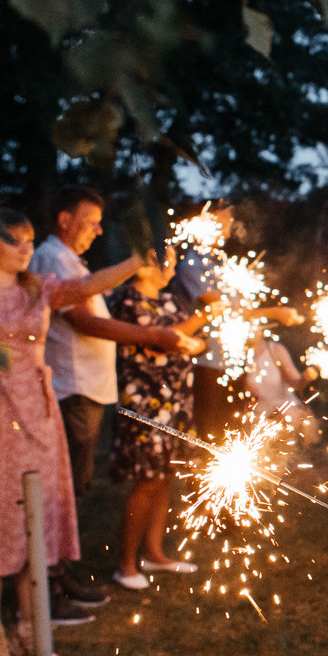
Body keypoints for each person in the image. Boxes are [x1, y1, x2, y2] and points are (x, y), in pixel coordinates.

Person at [0, 210, 149, 656]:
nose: (25, 248)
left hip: (37, 410)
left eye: (29, 240)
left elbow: (89, 285)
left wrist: (136, 260)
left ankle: (32, 625)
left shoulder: (40, 288)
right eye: (14, 240)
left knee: (35, 518)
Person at [30, 185, 193, 616]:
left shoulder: (70, 261)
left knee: (73, 489)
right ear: (64, 220)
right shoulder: (50, 258)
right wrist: (153, 336)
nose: (100, 231)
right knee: (61, 492)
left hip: (88, 388)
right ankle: (49, 589)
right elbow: (83, 322)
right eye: (91, 221)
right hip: (71, 388)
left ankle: (61, 578)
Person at [106, 250, 214, 591]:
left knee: (166, 474)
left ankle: (153, 553)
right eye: (167, 260)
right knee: (147, 478)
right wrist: (204, 318)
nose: (173, 266)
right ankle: (126, 564)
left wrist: (190, 341)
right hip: (144, 402)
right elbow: (157, 344)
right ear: (149, 265)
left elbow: (194, 343)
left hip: (176, 400)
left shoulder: (171, 300)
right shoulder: (126, 300)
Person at [171, 200, 245, 440]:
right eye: (224, 217)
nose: (230, 222)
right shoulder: (192, 263)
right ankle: (200, 476)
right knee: (207, 430)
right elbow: (222, 306)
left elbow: (241, 303)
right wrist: (276, 313)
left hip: (230, 358)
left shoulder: (223, 263)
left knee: (230, 429)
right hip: (204, 359)